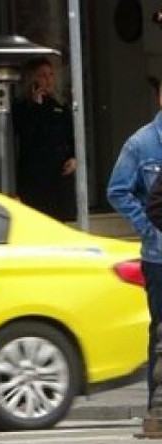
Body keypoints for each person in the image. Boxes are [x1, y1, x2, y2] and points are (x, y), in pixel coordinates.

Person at [108, 78, 162, 407]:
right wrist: (147, 227)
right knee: (160, 331)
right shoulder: (142, 143)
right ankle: (157, 403)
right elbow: (118, 190)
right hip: (158, 257)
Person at [14, 58, 76, 221]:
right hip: (35, 177)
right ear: (32, 79)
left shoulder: (59, 107)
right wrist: (36, 105)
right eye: (42, 76)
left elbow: (71, 137)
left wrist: (74, 158)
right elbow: (26, 134)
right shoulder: (23, 107)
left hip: (59, 175)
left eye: (51, 75)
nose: (48, 80)